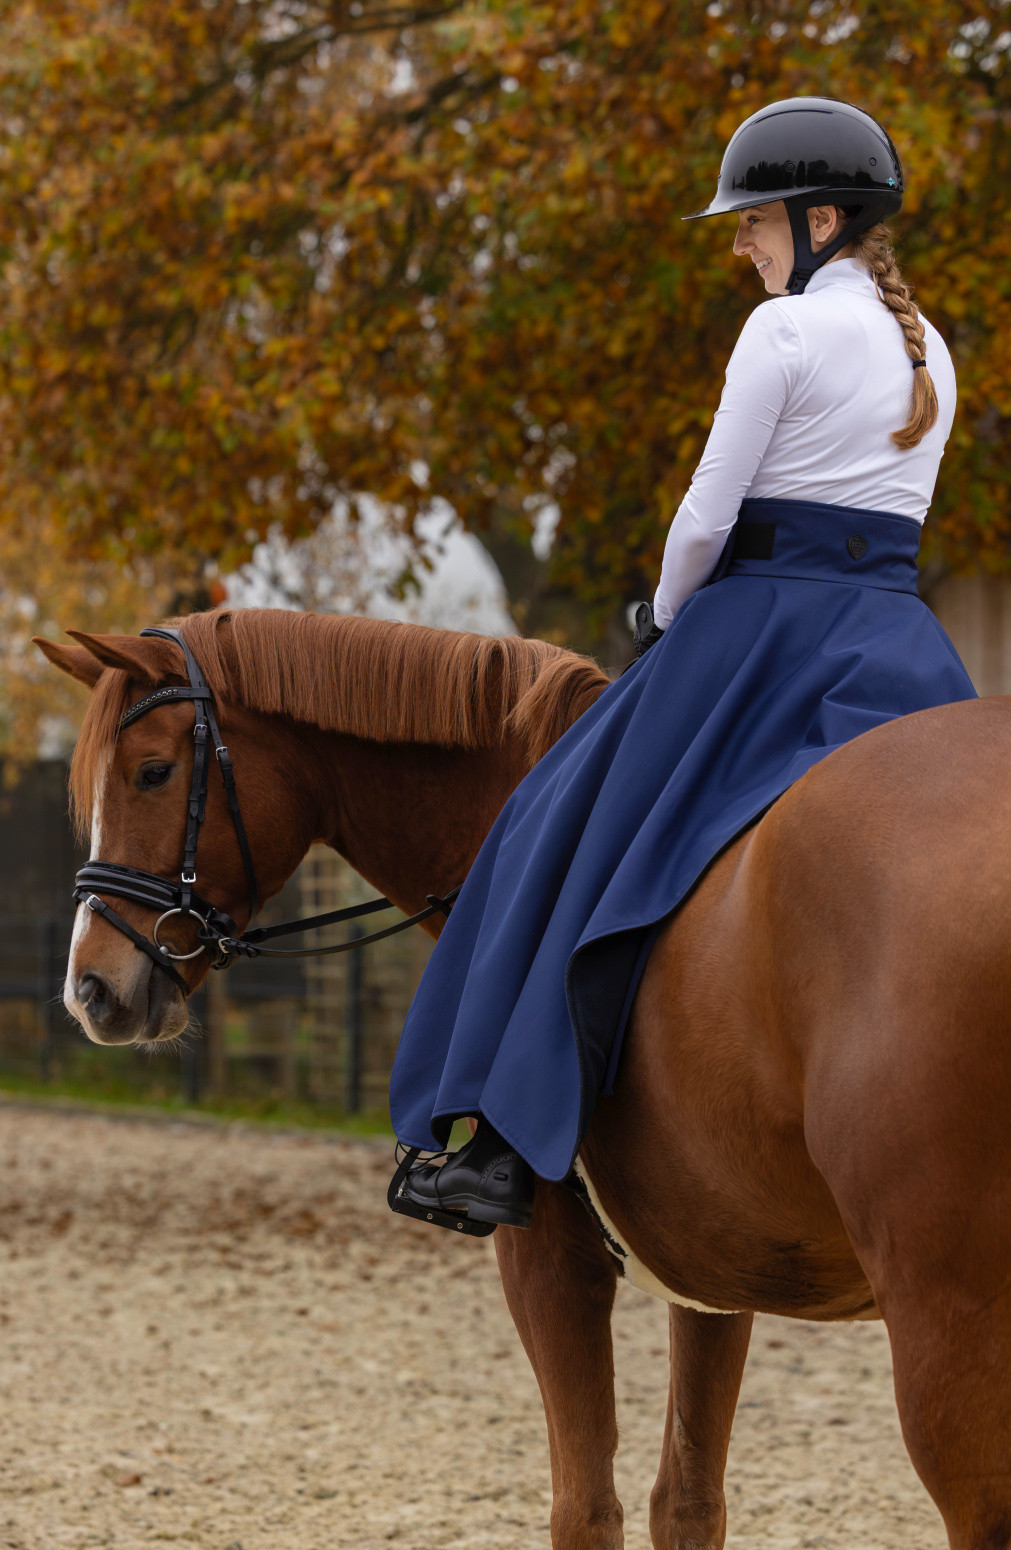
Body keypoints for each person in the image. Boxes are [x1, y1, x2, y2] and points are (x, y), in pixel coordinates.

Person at [387, 96, 977, 1233]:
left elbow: (707, 514)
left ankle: (501, 1146)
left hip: (752, 631)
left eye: (750, 221)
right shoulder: (930, 351)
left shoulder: (782, 333)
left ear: (814, 220)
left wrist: (660, 618)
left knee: (562, 827)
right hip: (892, 639)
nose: (738, 242)